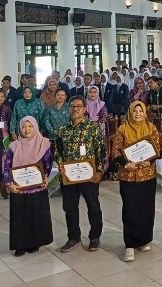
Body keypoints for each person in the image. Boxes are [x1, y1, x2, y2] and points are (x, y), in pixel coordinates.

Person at [111, 101, 161, 262]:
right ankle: (130, 245)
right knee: (130, 209)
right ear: (130, 112)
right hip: (128, 175)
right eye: (135, 111)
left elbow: (157, 150)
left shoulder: (151, 128)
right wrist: (126, 164)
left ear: (145, 112)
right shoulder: (122, 129)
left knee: (146, 209)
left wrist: (150, 161)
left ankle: (143, 240)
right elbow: (116, 151)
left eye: (141, 110)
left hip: (147, 175)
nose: (138, 113)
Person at [55, 96, 105, 252]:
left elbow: (101, 152)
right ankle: (73, 237)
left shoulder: (93, 128)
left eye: (78, 106)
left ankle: (95, 237)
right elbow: (57, 151)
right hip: (69, 177)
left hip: (89, 175)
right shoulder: (63, 129)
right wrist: (61, 165)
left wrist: (100, 171)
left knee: (93, 206)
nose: (75, 109)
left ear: (85, 109)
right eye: (72, 106)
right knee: (69, 207)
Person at [3, 116, 54, 257]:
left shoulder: (43, 144)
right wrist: (9, 184)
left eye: (30, 126)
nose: (27, 130)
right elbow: (7, 166)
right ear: (20, 128)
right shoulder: (14, 146)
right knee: (20, 217)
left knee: (36, 215)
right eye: (24, 127)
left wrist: (45, 178)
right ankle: (20, 245)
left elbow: (47, 164)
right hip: (18, 189)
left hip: (37, 187)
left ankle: (34, 243)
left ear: (35, 127)